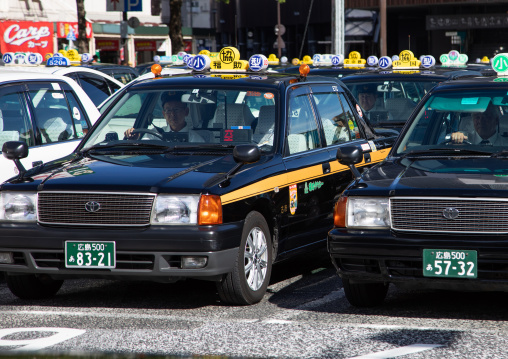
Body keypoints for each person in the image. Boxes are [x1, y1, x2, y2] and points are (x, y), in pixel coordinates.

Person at [125, 93, 205, 142]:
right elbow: (141, 152)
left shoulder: (195, 140)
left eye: (176, 110)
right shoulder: (154, 134)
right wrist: (134, 140)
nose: (172, 114)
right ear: (164, 114)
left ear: (186, 112)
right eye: (168, 110)